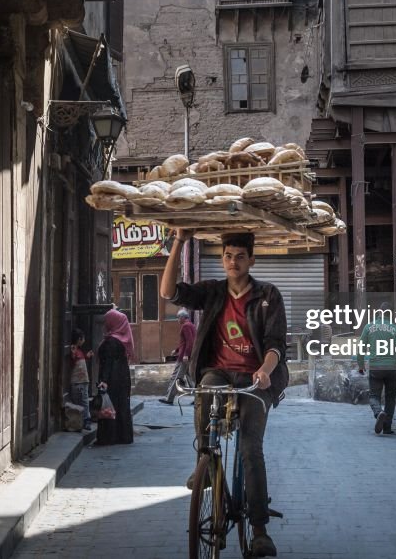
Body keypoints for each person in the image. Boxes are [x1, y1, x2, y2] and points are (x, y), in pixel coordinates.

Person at [161, 229, 287, 559]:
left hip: (255, 379)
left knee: (249, 449)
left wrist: (264, 372)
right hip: (217, 370)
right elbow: (168, 292)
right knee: (206, 404)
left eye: (240, 256)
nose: (233, 261)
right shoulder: (213, 292)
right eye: (228, 255)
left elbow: (275, 345)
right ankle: (204, 461)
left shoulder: (268, 295)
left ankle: (259, 531)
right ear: (223, 259)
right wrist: (178, 241)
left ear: (251, 260)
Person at [358, 303, 396, 435]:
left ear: (379, 312)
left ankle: (378, 412)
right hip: (392, 368)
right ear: (390, 314)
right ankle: (387, 427)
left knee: (374, 395)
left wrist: (361, 365)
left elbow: (361, 348)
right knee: (390, 397)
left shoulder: (369, 327)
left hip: (376, 367)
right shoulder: (395, 329)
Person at [96, 309, 135, 446]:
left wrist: (104, 381)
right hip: (123, 378)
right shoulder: (122, 341)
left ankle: (109, 437)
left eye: (107, 321)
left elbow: (107, 363)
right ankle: (123, 436)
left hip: (112, 379)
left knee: (109, 407)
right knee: (122, 406)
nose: (105, 324)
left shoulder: (111, 342)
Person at [159, 309, 197, 405]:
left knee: (176, 377)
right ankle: (198, 397)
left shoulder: (186, 326)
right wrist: (176, 350)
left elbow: (190, 342)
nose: (177, 320)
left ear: (182, 317)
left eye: (178, 317)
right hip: (186, 356)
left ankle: (169, 398)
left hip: (183, 358)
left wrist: (185, 355)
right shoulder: (191, 325)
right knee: (190, 379)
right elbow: (186, 342)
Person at [70, 329, 94, 430]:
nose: (84, 340)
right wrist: (73, 353)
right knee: (80, 401)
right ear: (79, 339)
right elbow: (72, 360)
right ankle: (83, 420)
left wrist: (87, 356)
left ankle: (86, 420)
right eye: (83, 339)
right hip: (77, 380)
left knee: (84, 400)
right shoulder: (74, 349)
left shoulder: (79, 351)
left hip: (83, 380)